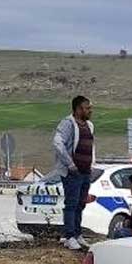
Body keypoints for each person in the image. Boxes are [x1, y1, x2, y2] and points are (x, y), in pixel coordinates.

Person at [52, 95, 95, 250]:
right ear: (77, 109)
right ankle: (69, 235)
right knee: (71, 203)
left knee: (81, 204)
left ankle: (77, 234)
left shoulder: (89, 125)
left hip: (85, 171)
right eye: (86, 108)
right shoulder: (68, 124)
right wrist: (70, 164)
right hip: (73, 172)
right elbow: (58, 142)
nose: (90, 111)